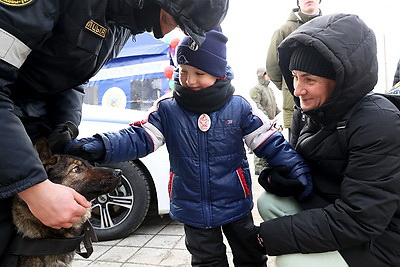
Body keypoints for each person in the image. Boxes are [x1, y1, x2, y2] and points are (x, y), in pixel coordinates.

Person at [0, 0, 230, 262]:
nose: (167, 33)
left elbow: (73, 79)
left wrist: (66, 125)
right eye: (172, 20)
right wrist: (35, 188)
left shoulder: (123, 23)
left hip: (35, 134)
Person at [65, 28, 313, 267]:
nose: (189, 80)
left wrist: (296, 171)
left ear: (218, 73)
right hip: (191, 205)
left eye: (199, 72)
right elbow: (138, 137)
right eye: (183, 70)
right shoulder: (168, 108)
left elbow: (271, 143)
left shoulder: (239, 106)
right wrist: (98, 146)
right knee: (206, 260)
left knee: (249, 254)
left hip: (235, 202)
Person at [254, 13, 400, 267]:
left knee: (289, 262)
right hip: (336, 210)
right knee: (269, 201)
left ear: (342, 80)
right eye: (295, 76)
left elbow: (360, 218)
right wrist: (282, 177)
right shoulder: (308, 112)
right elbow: (303, 170)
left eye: (310, 79)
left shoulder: (378, 122)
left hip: (381, 238)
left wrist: (263, 238)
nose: (298, 90)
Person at [266, 0, 321, 141]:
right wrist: (290, 87)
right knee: (298, 152)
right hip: (295, 107)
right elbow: (272, 67)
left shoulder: (330, 27)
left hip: (326, 107)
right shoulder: (284, 31)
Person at [249, 67, 280, 175]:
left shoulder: (270, 90)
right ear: (261, 75)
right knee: (260, 144)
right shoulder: (256, 89)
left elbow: (274, 105)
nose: (269, 76)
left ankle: (267, 166)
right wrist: (266, 118)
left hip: (272, 122)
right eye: (267, 74)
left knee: (270, 143)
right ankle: (259, 169)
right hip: (261, 122)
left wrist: (279, 114)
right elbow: (256, 105)